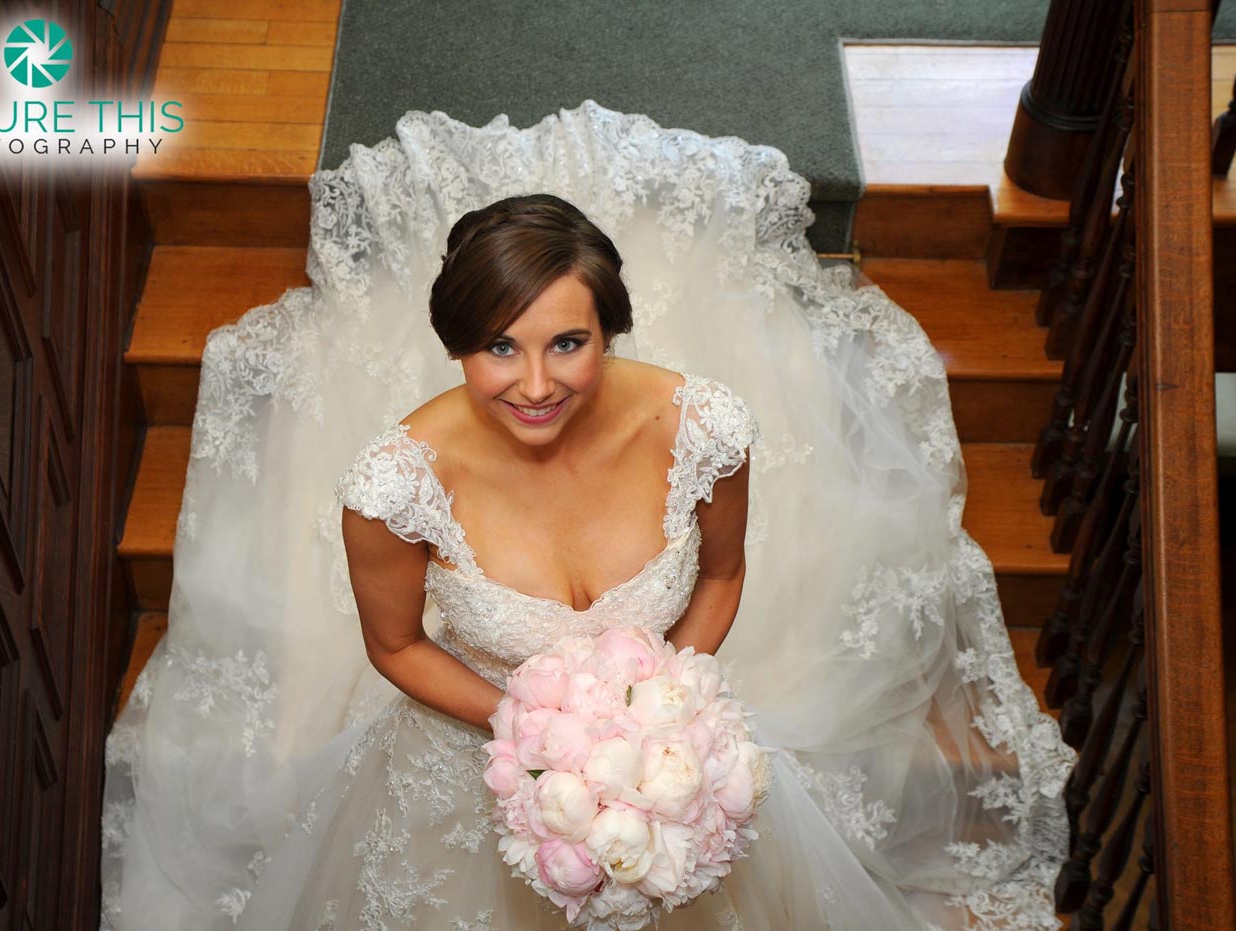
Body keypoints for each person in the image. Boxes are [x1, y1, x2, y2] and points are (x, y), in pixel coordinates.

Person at [99, 100, 1076, 930]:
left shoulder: (703, 427)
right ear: (456, 346)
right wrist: (533, 729)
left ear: (608, 328)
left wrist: (666, 706)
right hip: (469, 755)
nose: (533, 385)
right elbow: (396, 646)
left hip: (661, 753)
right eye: (498, 348)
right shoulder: (395, 484)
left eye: (567, 342)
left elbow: (721, 575)